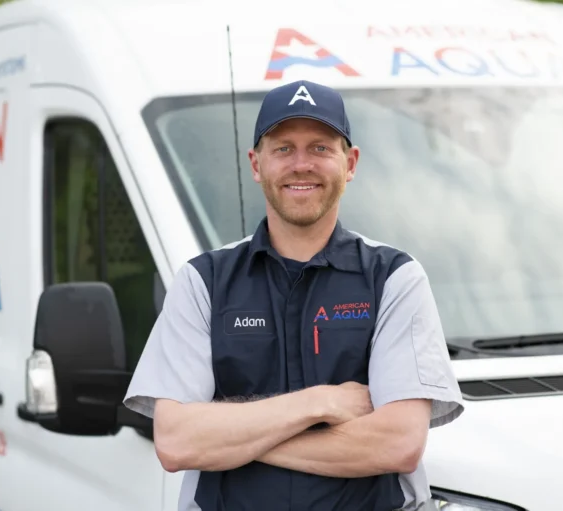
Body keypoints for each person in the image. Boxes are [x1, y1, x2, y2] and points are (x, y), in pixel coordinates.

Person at [123, 79, 465, 511]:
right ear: (256, 163)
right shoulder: (202, 282)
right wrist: (319, 402)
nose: (301, 164)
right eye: (283, 148)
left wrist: (235, 440)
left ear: (350, 162)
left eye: (320, 148)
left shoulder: (394, 278)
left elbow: (397, 444)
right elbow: (176, 442)